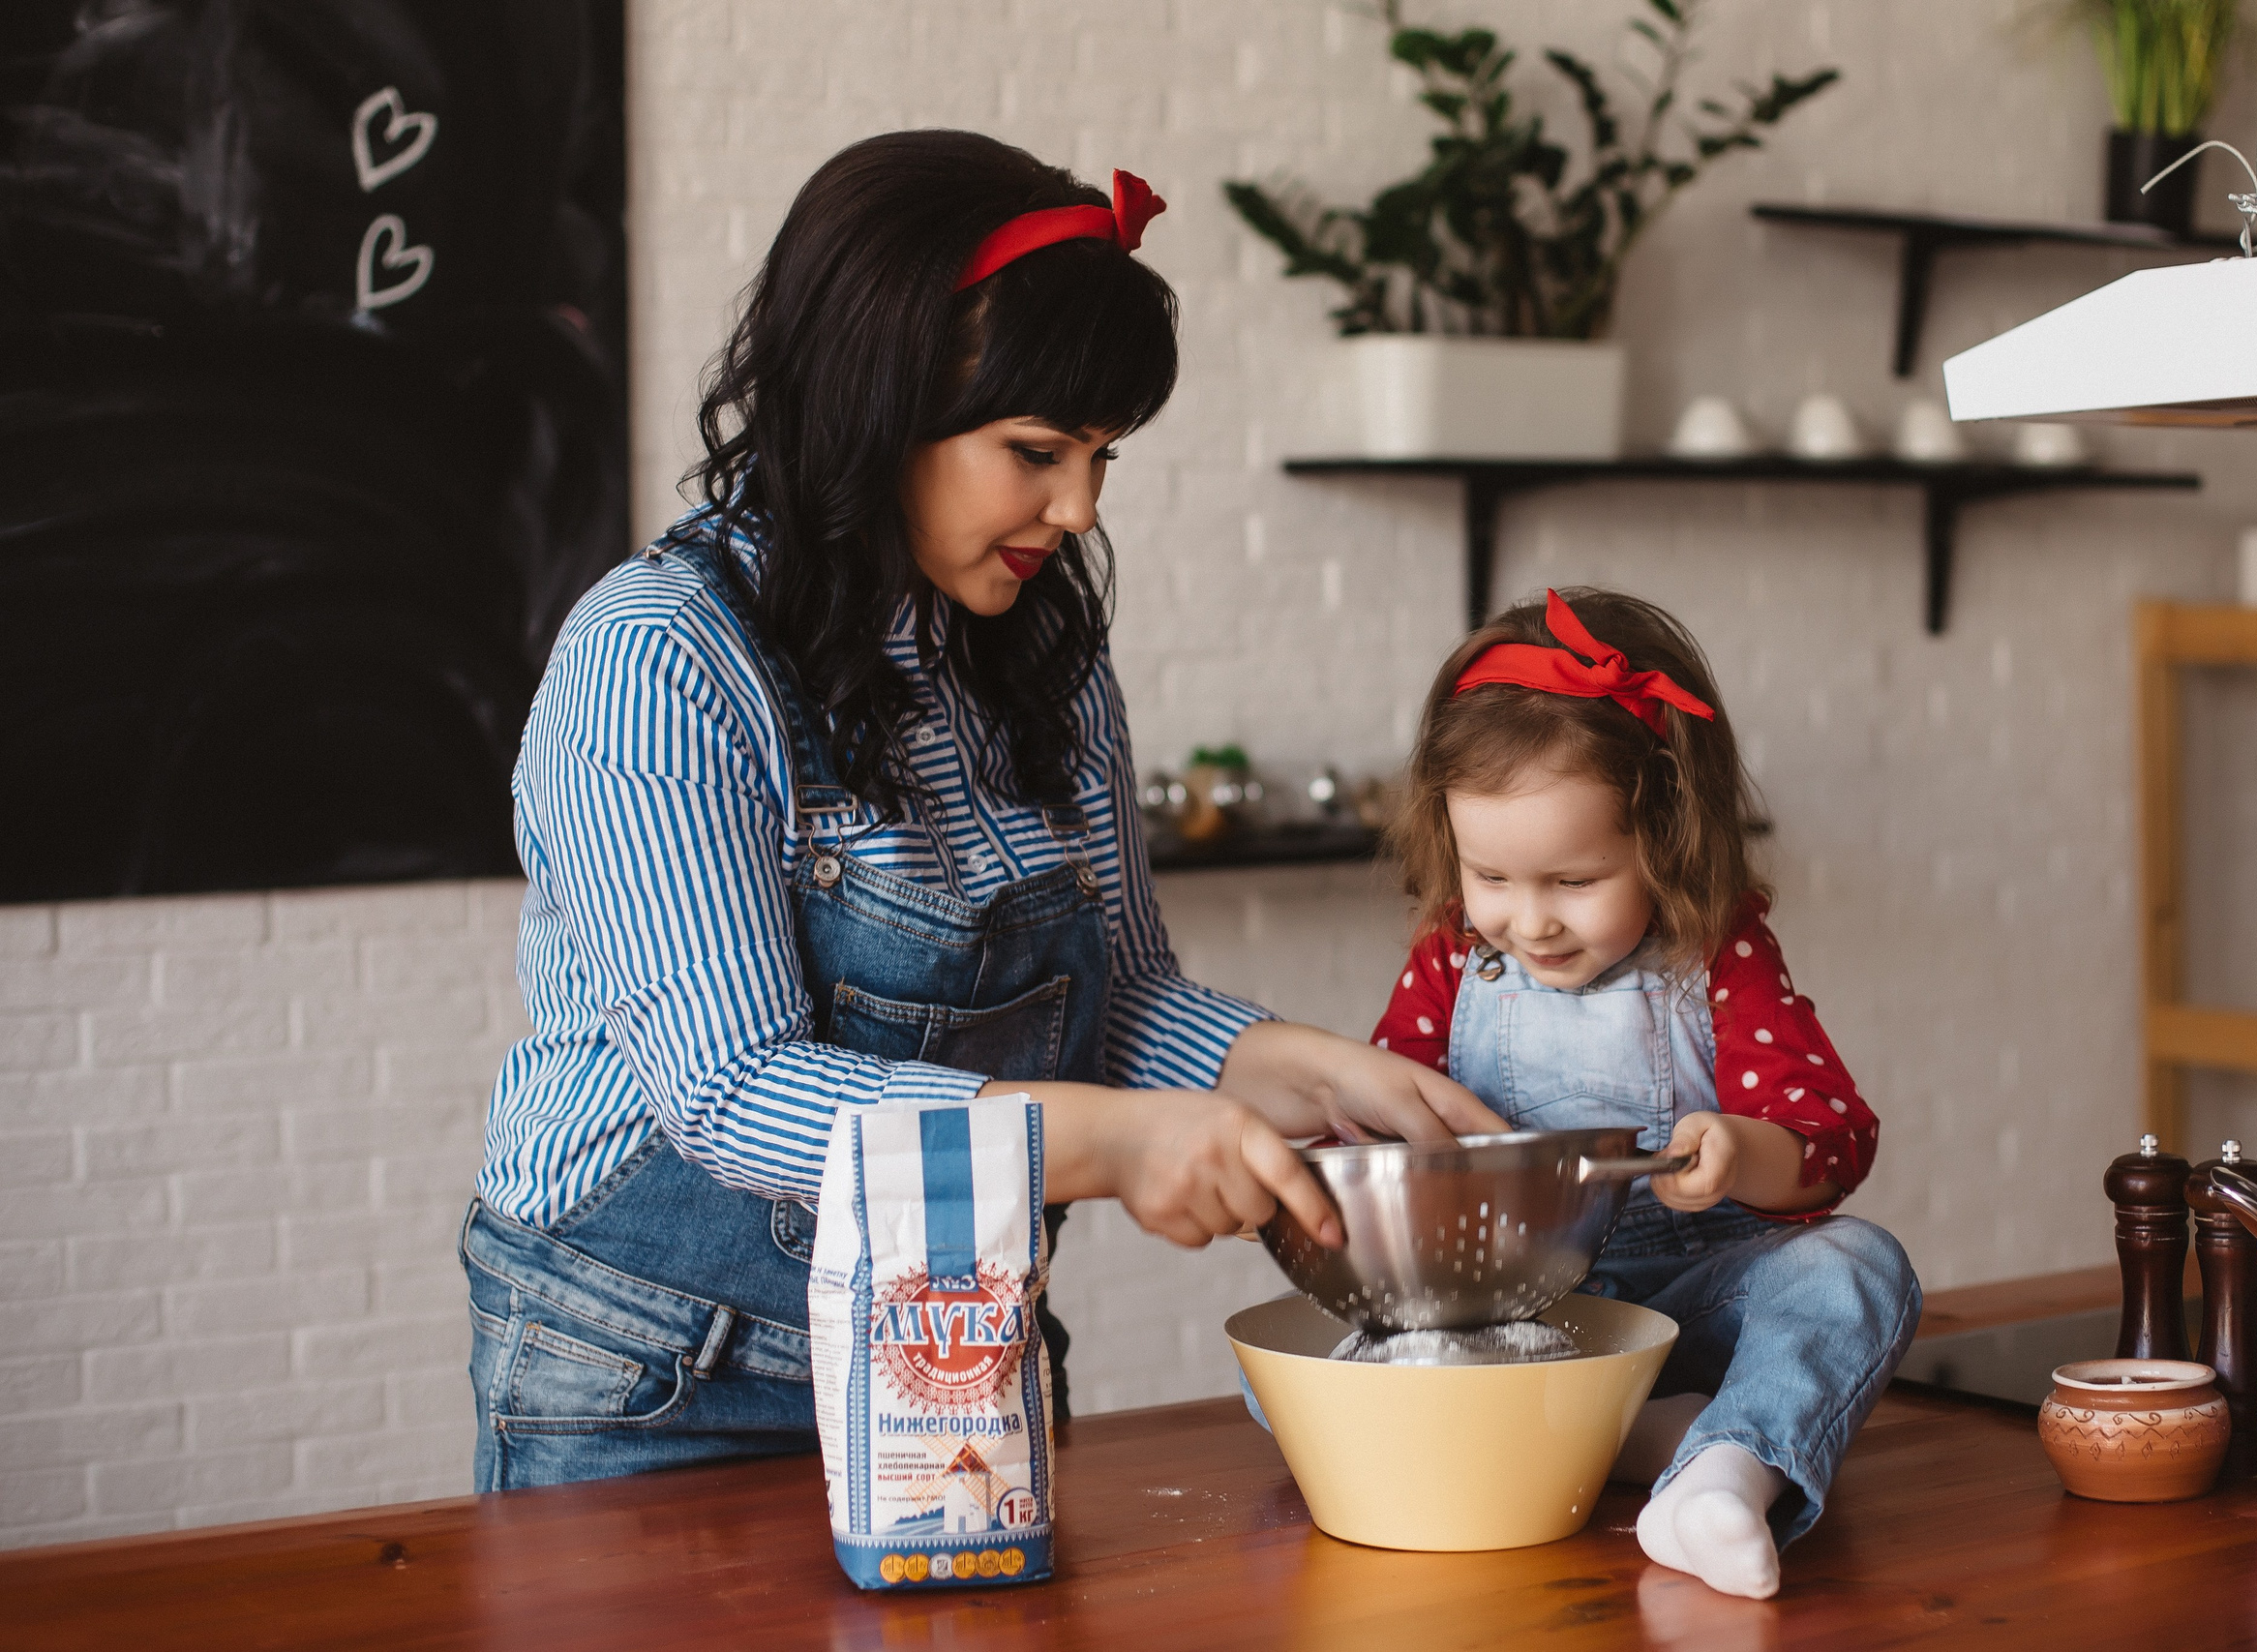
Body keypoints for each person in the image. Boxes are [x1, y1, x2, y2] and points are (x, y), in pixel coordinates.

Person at [462, 130, 1496, 1493]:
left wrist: (1303, 1069)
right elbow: (732, 1090)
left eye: (1102, 455)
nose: (1077, 506)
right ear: (873, 400)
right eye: (1035, 449)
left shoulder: (1043, 658)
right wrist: (1124, 1144)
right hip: (655, 1365)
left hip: (949, 1334)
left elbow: (1116, 996)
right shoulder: (658, 659)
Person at [1369, 587, 1920, 1599]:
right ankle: (1652, 1437)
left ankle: (1722, 1477)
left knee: (1859, 1267)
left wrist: (1741, 1154)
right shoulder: (1452, 956)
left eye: (1573, 882)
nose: (1527, 923)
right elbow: (1380, 1118)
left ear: (1664, 835)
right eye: (1490, 876)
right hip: (1506, 1322)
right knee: (1284, 1359)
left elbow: (1832, 1143)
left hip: (1683, 1307)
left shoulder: (1718, 955)